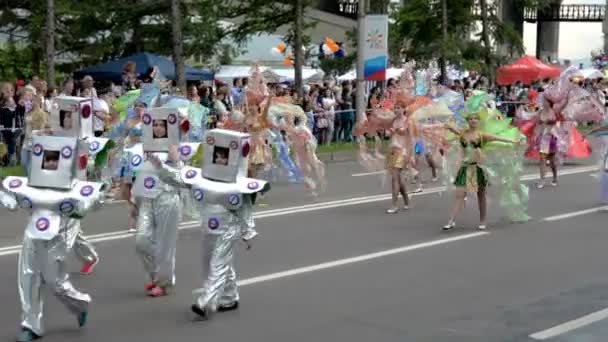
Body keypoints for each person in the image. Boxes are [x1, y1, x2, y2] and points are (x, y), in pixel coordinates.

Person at [2, 135, 106, 342]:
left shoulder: (73, 185)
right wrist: (4, 194)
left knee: (55, 282)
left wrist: (92, 198)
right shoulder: (32, 182)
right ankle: (31, 325)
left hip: (56, 236)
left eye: (54, 159)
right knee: (28, 278)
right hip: (32, 234)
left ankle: (80, 304)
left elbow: (87, 205)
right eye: (47, 159)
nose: (50, 163)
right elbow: (13, 203)